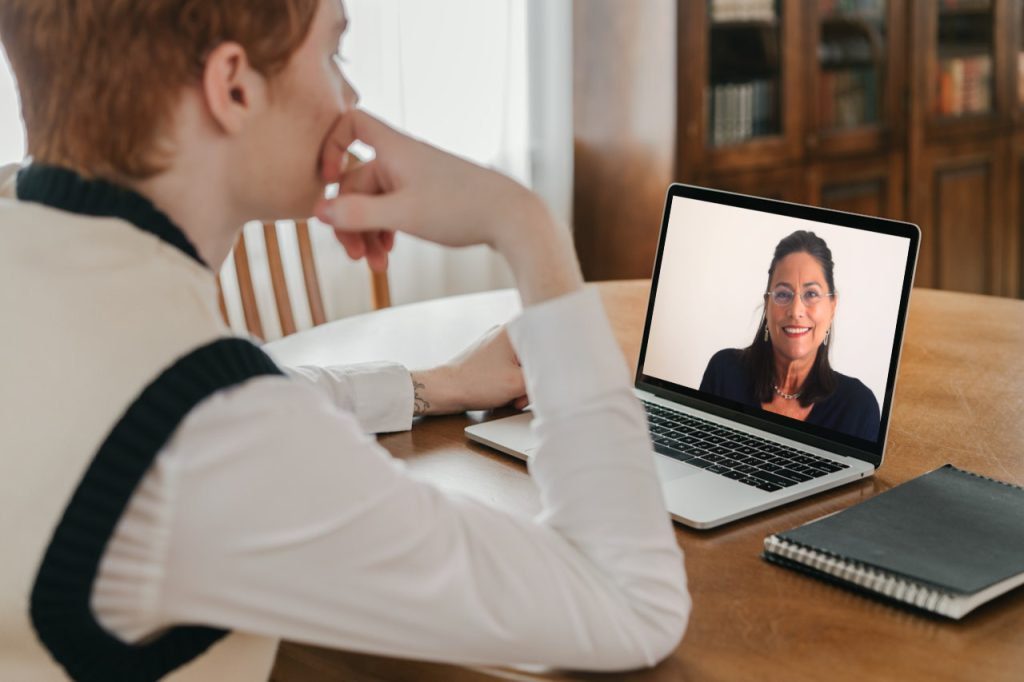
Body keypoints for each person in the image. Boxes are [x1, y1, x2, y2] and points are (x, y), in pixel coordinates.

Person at [0, 1, 690, 679]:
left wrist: (432, 386)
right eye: (335, 54)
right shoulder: (204, 433)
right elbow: (631, 602)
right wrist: (522, 223)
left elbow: (167, 403)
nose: (352, 96)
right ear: (233, 86)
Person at [699, 230, 880, 441]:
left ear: (832, 306)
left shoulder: (857, 407)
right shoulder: (723, 372)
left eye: (811, 294)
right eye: (783, 294)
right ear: (767, 304)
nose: (796, 310)